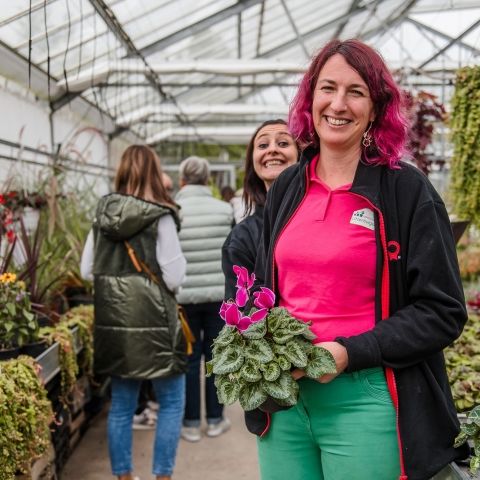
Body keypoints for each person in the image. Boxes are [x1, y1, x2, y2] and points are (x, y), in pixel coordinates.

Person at [248, 39, 469, 480]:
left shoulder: (405, 190)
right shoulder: (289, 187)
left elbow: (443, 310)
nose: (338, 104)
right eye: (327, 88)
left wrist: (349, 352)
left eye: (356, 92)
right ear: (310, 100)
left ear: (376, 108)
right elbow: (261, 290)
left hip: (368, 396)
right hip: (285, 402)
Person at [80, 145, 187, 480]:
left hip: (115, 321)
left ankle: (124, 477)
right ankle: (162, 476)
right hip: (156, 319)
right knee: (171, 402)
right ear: (155, 172)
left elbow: (86, 270)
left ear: (122, 171)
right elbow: (173, 276)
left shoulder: (101, 215)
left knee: (122, 407)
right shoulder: (161, 216)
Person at [175, 156, 234, 442]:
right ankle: (214, 419)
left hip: (182, 299)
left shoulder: (173, 211)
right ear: (208, 179)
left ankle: (189, 424)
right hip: (217, 297)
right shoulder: (224, 210)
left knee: (188, 360)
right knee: (215, 359)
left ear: (182, 179)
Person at [222, 119, 298, 301]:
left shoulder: (321, 217)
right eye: (263, 145)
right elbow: (240, 311)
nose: (272, 150)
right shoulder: (242, 237)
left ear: (301, 154)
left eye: (283, 143)